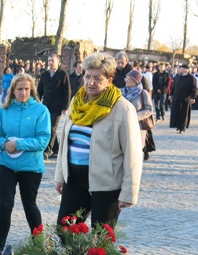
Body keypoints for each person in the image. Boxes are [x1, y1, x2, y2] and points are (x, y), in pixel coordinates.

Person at [54, 52, 143, 229]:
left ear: (109, 80)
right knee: (65, 230)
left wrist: (129, 192)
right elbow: (65, 142)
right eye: (87, 76)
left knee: (101, 239)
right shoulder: (76, 102)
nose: (91, 82)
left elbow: (133, 154)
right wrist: (60, 175)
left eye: (97, 78)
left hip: (106, 185)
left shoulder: (122, 109)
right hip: (74, 180)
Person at [0, 74, 51, 255]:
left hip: (30, 166)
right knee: (5, 205)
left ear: (31, 90)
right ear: (13, 91)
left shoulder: (41, 110)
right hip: (7, 165)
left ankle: (39, 245)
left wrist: (18, 144)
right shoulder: (4, 110)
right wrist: (4, 144)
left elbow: (43, 141)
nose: (23, 92)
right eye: (19, 89)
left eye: (27, 89)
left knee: (29, 204)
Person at [37, 54, 71, 160]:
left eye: (52, 60)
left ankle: (47, 151)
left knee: (52, 128)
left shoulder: (62, 74)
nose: (50, 62)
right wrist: (36, 103)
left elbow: (67, 91)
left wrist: (65, 107)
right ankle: (56, 149)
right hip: (46, 105)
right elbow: (39, 90)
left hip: (57, 106)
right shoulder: (45, 74)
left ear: (58, 62)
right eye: (49, 60)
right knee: (49, 127)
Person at [122, 70, 153, 157]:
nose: (126, 80)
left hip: (137, 126)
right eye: (126, 79)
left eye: (128, 79)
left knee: (135, 151)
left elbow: (149, 109)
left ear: (135, 81)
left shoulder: (143, 93)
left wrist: (135, 116)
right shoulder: (120, 92)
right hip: (123, 125)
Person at [169, 64, 197, 133]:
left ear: (185, 69)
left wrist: (193, 97)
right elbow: (173, 86)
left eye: (180, 68)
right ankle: (178, 126)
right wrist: (171, 94)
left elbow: (194, 88)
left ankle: (182, 128)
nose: (179, 69)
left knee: (183, 114)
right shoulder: (177, 77)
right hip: (176, 97)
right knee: (176, 113)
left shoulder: (191, 78)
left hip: (185, 99)